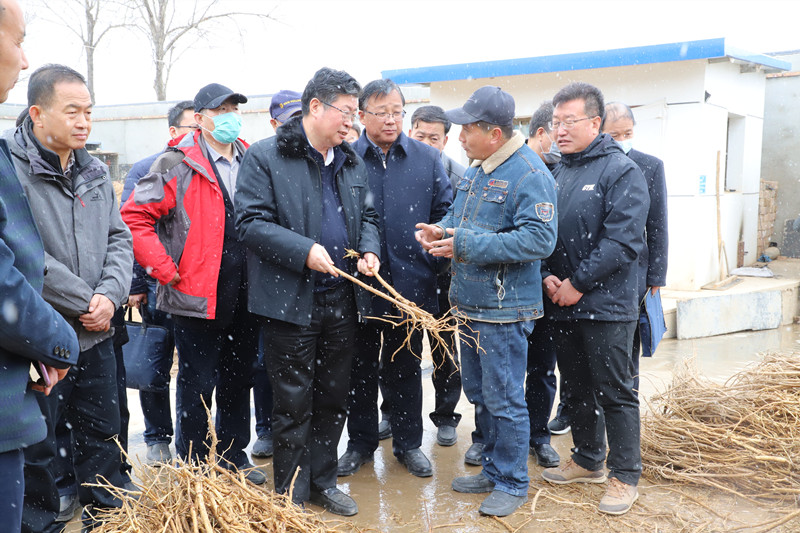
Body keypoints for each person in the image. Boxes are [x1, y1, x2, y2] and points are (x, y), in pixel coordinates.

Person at [235, 67, 380, 516]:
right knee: (292, 402)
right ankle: (292, 493)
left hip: (343, 297)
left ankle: (322, 481)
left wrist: (369, 252)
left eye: (356, 113)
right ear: (314, 107)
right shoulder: (267, 156)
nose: (351, 122)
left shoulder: (350, 160)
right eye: (346, 112)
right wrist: (304, 251)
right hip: (291, 300)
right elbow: (250, 222)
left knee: (334, 395)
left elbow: (368, 218)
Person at [416, 85, 557, 517]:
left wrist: (467, 244)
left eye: (466, 128)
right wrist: (441, 231)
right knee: (480, 393)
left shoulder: (530, 174)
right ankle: (494, 469)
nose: (459, 136)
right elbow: (461, 220)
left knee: (505, 397)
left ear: (494, 133)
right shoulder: (478, 170)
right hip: (471, 304)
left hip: (504, 309)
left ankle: (513, 482)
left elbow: (540, 239)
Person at [5, 64, 134, 531]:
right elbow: (24, 256)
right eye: (73, 111)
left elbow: (119, 238)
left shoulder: (95, 171)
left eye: (89, 112)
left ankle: (107, 518)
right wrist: (86, 300)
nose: (84, 122)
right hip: (39, 337)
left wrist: (110, 296)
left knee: (104, 437)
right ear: (37, 114)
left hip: (98, 334)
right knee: (39, 450)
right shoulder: (11, 173)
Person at [122, 83, 265, 485]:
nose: (229, 116)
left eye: (234, 108)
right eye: (220, 110)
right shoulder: (174, 163)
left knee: (239, 378)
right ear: (199, 118)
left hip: (247, 291)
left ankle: (234, 455)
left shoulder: (253, 158)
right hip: (193, 293)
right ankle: (196, 463)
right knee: (197, 382)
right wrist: (165, 269)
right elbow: (135, 218)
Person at [539, 82, 648, 516]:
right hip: (562, 301)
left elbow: (621, 241)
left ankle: (625, 475)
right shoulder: (556, 172)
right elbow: (542, 232)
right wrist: (548, 275)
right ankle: (588, 459)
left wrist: (578, 283)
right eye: (555, 122)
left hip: (606, 305)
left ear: (595, 123)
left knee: (615, 390)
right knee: (576, 386)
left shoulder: (620, 171)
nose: (559, 130)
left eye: (569, 121)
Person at [339, 79, 451, 479]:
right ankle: (360, 444)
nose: (390, 120)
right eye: (381, 112)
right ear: (362, 115)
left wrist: (436, 236)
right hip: (361, 286)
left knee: (405, 367)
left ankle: (408, 444)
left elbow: (446, 210)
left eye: (397, 112)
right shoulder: (346, 158)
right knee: (360, 369)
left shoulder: (426, 158)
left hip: (412, 284)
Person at [0, 3, 81, 531]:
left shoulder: (94, 171)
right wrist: (57, 339)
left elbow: (117, 237)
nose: (25, 59)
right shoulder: (19, 162)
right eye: (17, 40)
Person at [121, 100, 196, 466]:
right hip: (156, 286)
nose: (197, 134)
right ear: (173, 131)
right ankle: (157, 436)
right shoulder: (146, 169)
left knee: (196, 369)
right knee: (156, 362)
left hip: (197, 289)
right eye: (190, 127)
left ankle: (191, 440)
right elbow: (130, 231)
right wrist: (136, 283)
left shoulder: (205, 169)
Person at [248, 89, 303, 461]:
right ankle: (266, 429)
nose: (296, 127)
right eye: (289, 121)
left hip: (308, 280)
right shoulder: (264, 157)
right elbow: (255, 222)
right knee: (265, 363)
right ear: (274, 124)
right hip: (270, 279)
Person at [405, 105, 464, 448]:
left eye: (434, 138)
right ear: (410, 132)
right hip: (406, 276)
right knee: (401, 351)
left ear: (445, 140)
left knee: (445, 349)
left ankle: (445, 416)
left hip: (444, 278)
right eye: (420, 135)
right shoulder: (398, 167)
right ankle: (392, 412)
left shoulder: (460, 176)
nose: (427, 143)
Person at [601, 101, 669, 375]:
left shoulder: (649, 166)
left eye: (627, 133)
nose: (622, 141)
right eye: (614, 135)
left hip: (636, 272)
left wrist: (656, 276)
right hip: (599, 267)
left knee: (629, 349)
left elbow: (658, 225)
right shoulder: (594, 165)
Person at [522, 100, 562, 469]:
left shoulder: (562, 170)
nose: (561, 136)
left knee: (542, 370)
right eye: (556, 129)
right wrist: (540, 271)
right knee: (499, 374)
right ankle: (489, 440)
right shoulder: (514, 169)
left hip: (550, 295)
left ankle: (539, 436)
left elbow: (557, 234)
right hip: (515, 288)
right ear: (540, 133)